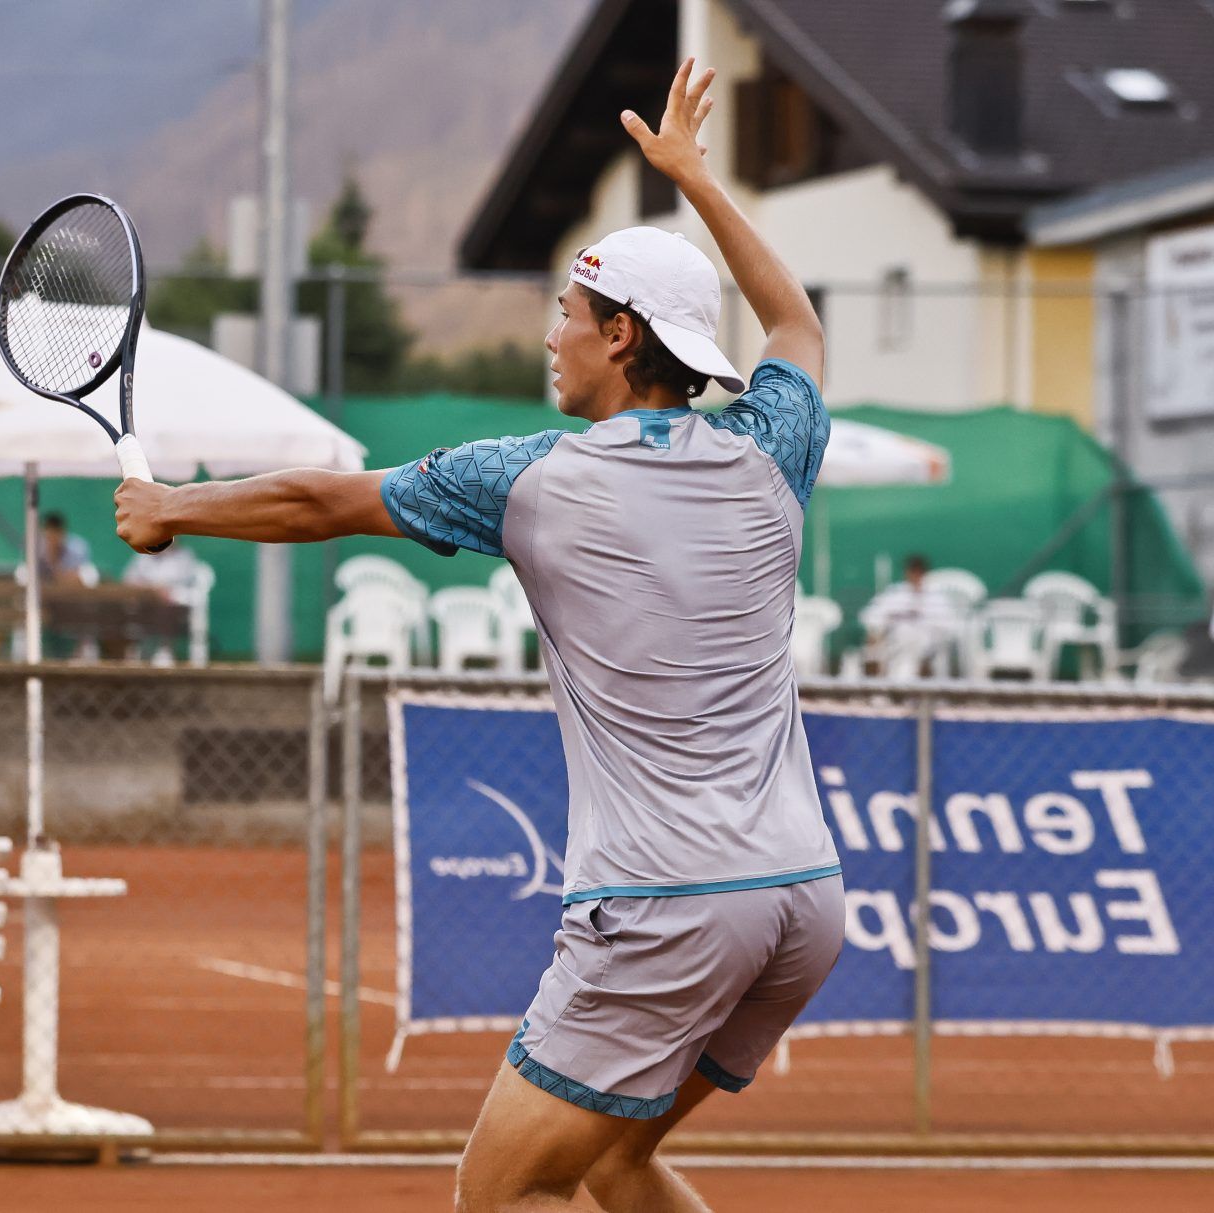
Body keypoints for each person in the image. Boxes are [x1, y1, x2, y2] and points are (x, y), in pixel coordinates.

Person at [116, 61, 842, 1213]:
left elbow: (323, 502)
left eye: (568, 314)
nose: (550, 335)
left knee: (499, 1191)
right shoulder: (771, 448)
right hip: (804, 902)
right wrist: (696, 180)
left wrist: (171, 508)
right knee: (610, 1161)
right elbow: (795, 320)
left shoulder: (534, 479)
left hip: (666, 904)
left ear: (619, 335)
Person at [859, 554, 960, 678]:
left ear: (924, 573)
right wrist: (875, 632)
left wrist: (923, 622)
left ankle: (906, 685)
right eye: (912, 571)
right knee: (898, 645)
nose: (915, 576)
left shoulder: (936, 597)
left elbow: (950, 624)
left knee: (910, 643)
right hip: (894, 643)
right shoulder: (896, 593)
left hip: (928, 644)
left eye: (918, 572)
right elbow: (870, 616)